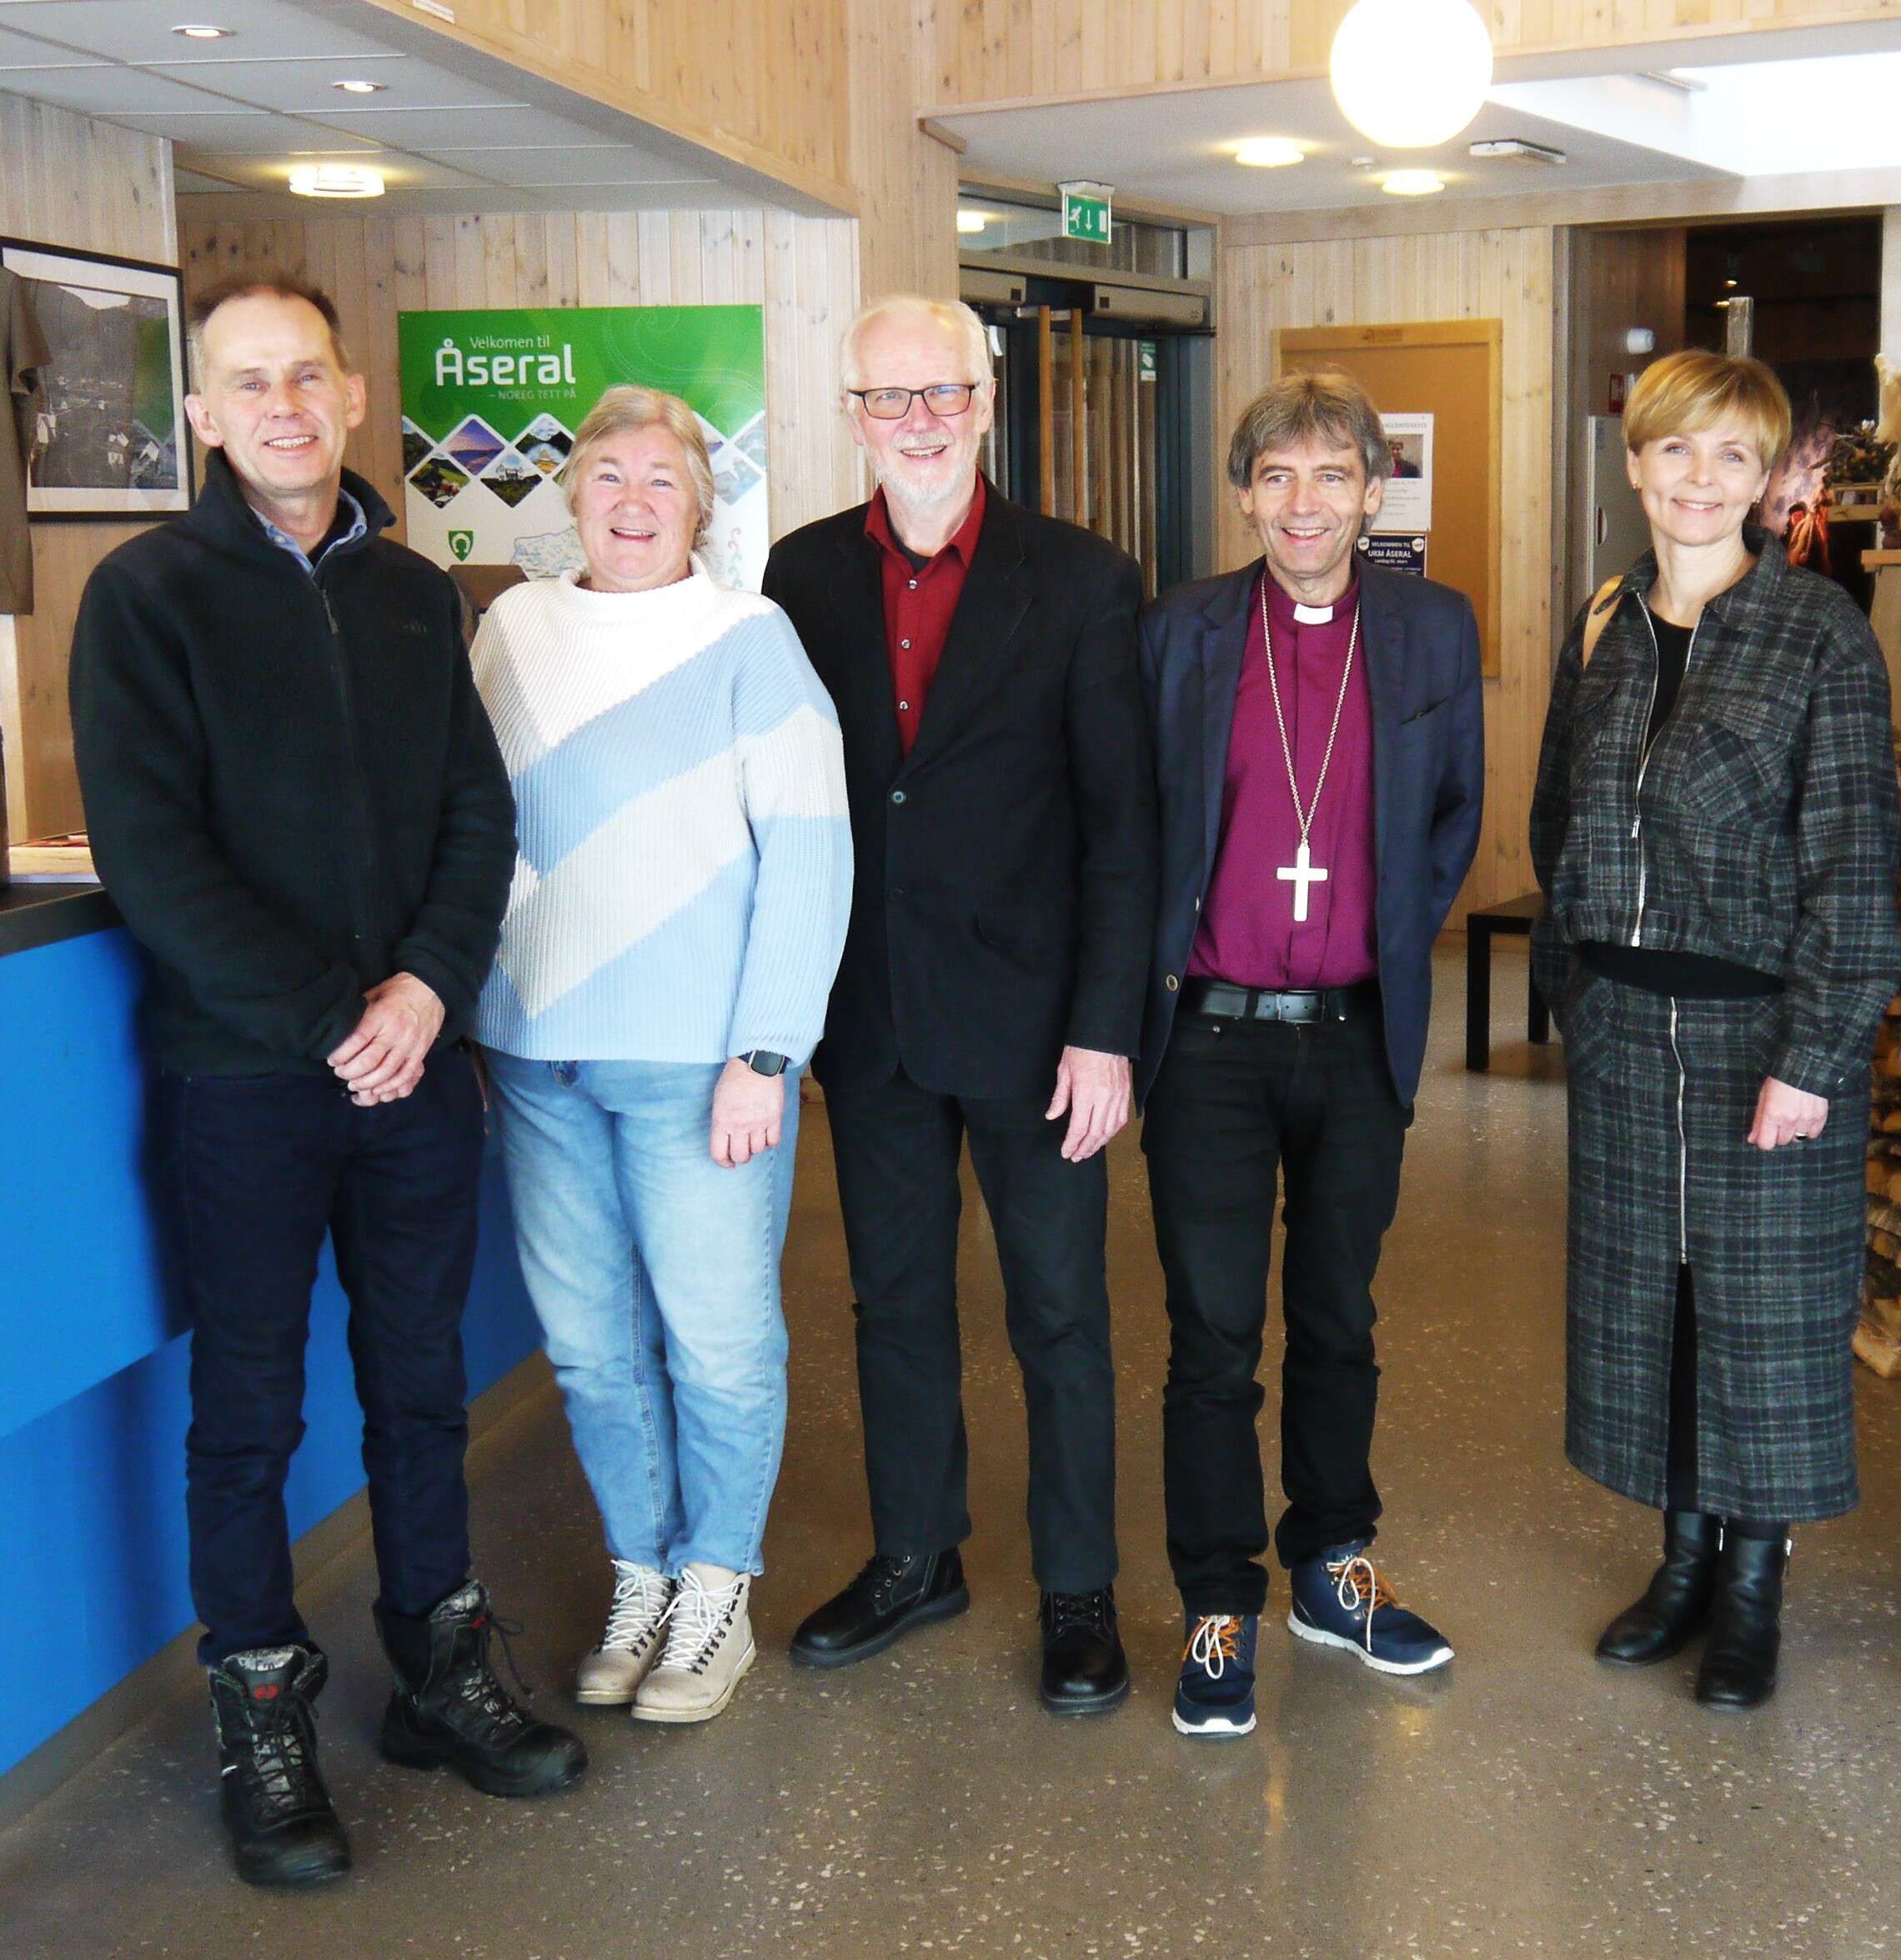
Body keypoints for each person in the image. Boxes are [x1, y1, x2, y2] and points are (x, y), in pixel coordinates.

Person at [67, 275, 582, 1889]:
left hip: (412, 1066)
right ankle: (261, 1709)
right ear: (202, 417)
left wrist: (424, 990)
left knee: (420, 1384)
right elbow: (153, 856)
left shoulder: (417, 596)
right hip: (248, 1082)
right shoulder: (146, 597)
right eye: (248, 383)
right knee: (251, 1408)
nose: (283, 406)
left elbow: (476, 816)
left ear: (352, 396)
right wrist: (329, 1021)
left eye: (307, 376)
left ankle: (438, 1667)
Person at [763, 296, 1156, 1715]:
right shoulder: (801, 574)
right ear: (852, 415)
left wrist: (1106, 1028)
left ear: (987, 404)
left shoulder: (1085, 580)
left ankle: (1077, 1587)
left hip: (1040, 1026)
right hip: (872, 1012)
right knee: (894, 1303)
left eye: (943, 393)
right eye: (889, 397)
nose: (918, 420)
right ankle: (916, 1555)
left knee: (1059, 1312)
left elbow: (1124, 827)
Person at [470, 387, 850, 1725]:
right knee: (589, 1349)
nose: (633, 502)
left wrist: (770, 1050)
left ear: (701, 508)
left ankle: (716, 1589)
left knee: (718, 1343)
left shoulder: (750, 638)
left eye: (663, 481)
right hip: (534, 1053)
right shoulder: (512, 631)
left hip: (699, 1061)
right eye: (609, 476)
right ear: (571, 494)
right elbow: (466, 822)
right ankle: (642, 1574)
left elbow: (811, 850)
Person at [1527, 348, 1901, 1711]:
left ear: (1768, 482)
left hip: (1760, 1037)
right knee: (1653, 1307)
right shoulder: (1602, 624)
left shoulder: (1820, 635)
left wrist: (1816, 1057)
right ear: (1635, 463)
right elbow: (1557, 817)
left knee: (1763, 1317)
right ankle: (1680, 1558)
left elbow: (1855, 867)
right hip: (1626, 1024)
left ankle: (1752, 1583)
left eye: (1732, 456)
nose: (1700, 479)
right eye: (1676, 449)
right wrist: (1577, 985)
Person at [1136, 373, 1485, 1738]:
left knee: (1341, 1317)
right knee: (1215, 1336)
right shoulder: (1180, 631)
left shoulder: (1432, 629)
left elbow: (1451, 814)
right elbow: (1139, 824)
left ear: (1373, 492)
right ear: (1243, 496)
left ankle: (1334, 1567)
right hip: (1210, 1040)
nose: (1304, 503)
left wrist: (1382, 937)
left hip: (1354, 1036)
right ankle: (1218, 1600)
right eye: (1276, 476)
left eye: (1333, 475)